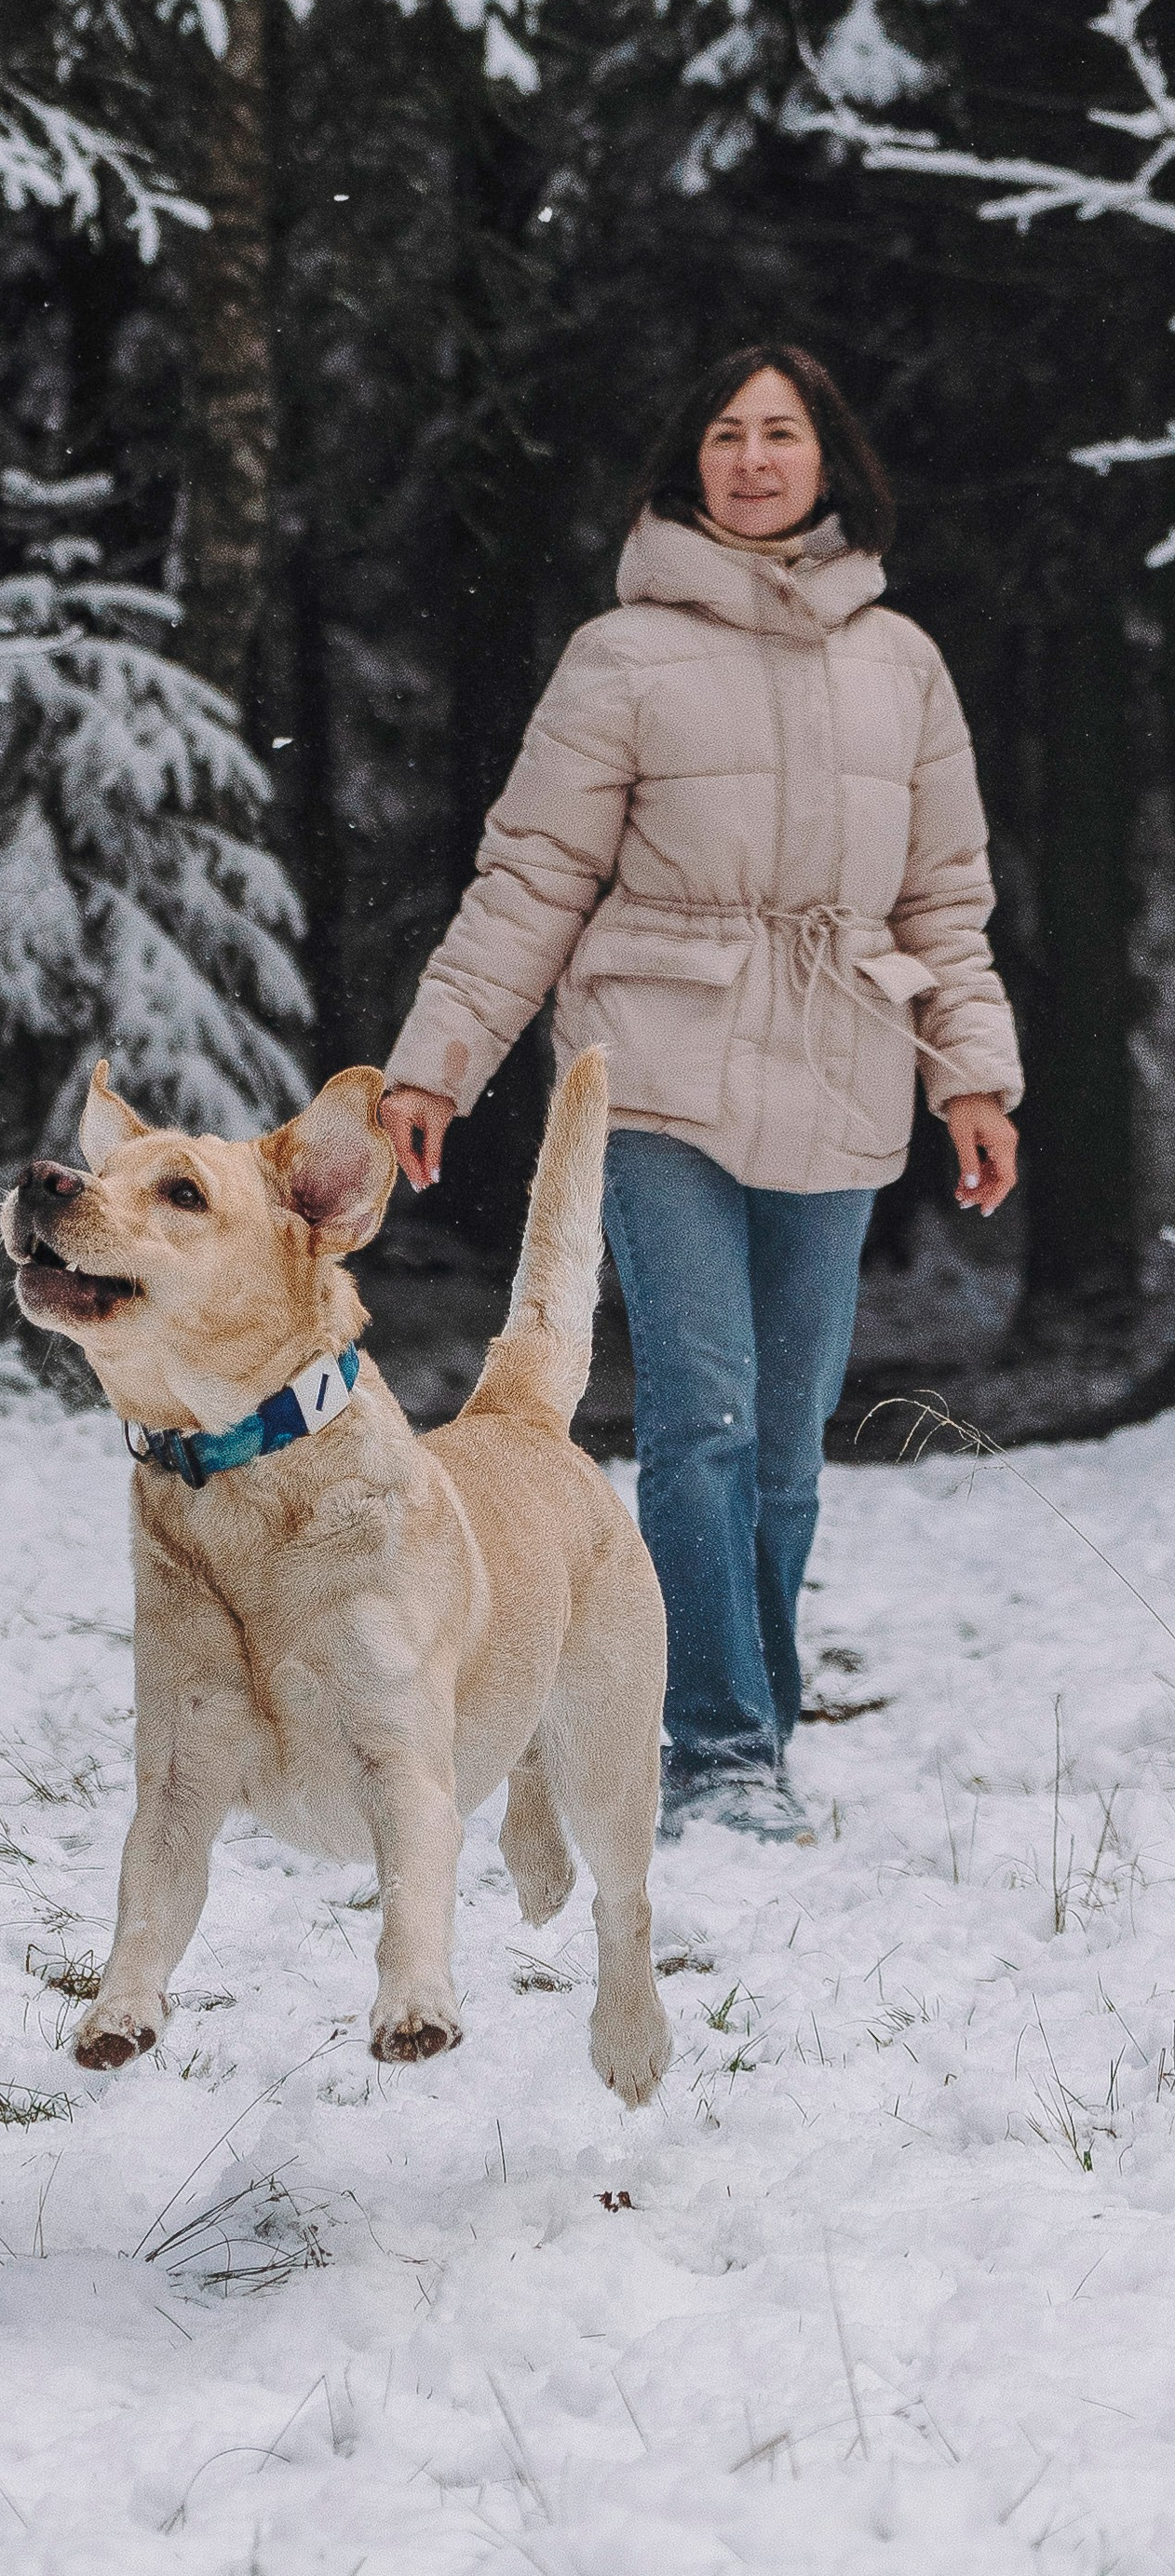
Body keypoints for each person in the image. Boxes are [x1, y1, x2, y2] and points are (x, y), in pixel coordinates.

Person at [378, 346, 1021, 1842]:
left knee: (787, 1449)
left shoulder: (903, 663)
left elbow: (945, 900)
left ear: (828, 462)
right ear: (691, 466)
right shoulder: (621, 656)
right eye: (726, 434)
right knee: (704, 1417)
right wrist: (438, 1060)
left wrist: (973, 1081)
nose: (752, 458)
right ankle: (716, 1749)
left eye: (780, 433)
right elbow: (534, 876)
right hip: (655, 1070)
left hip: (845, 1071)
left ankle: (758, 1731)